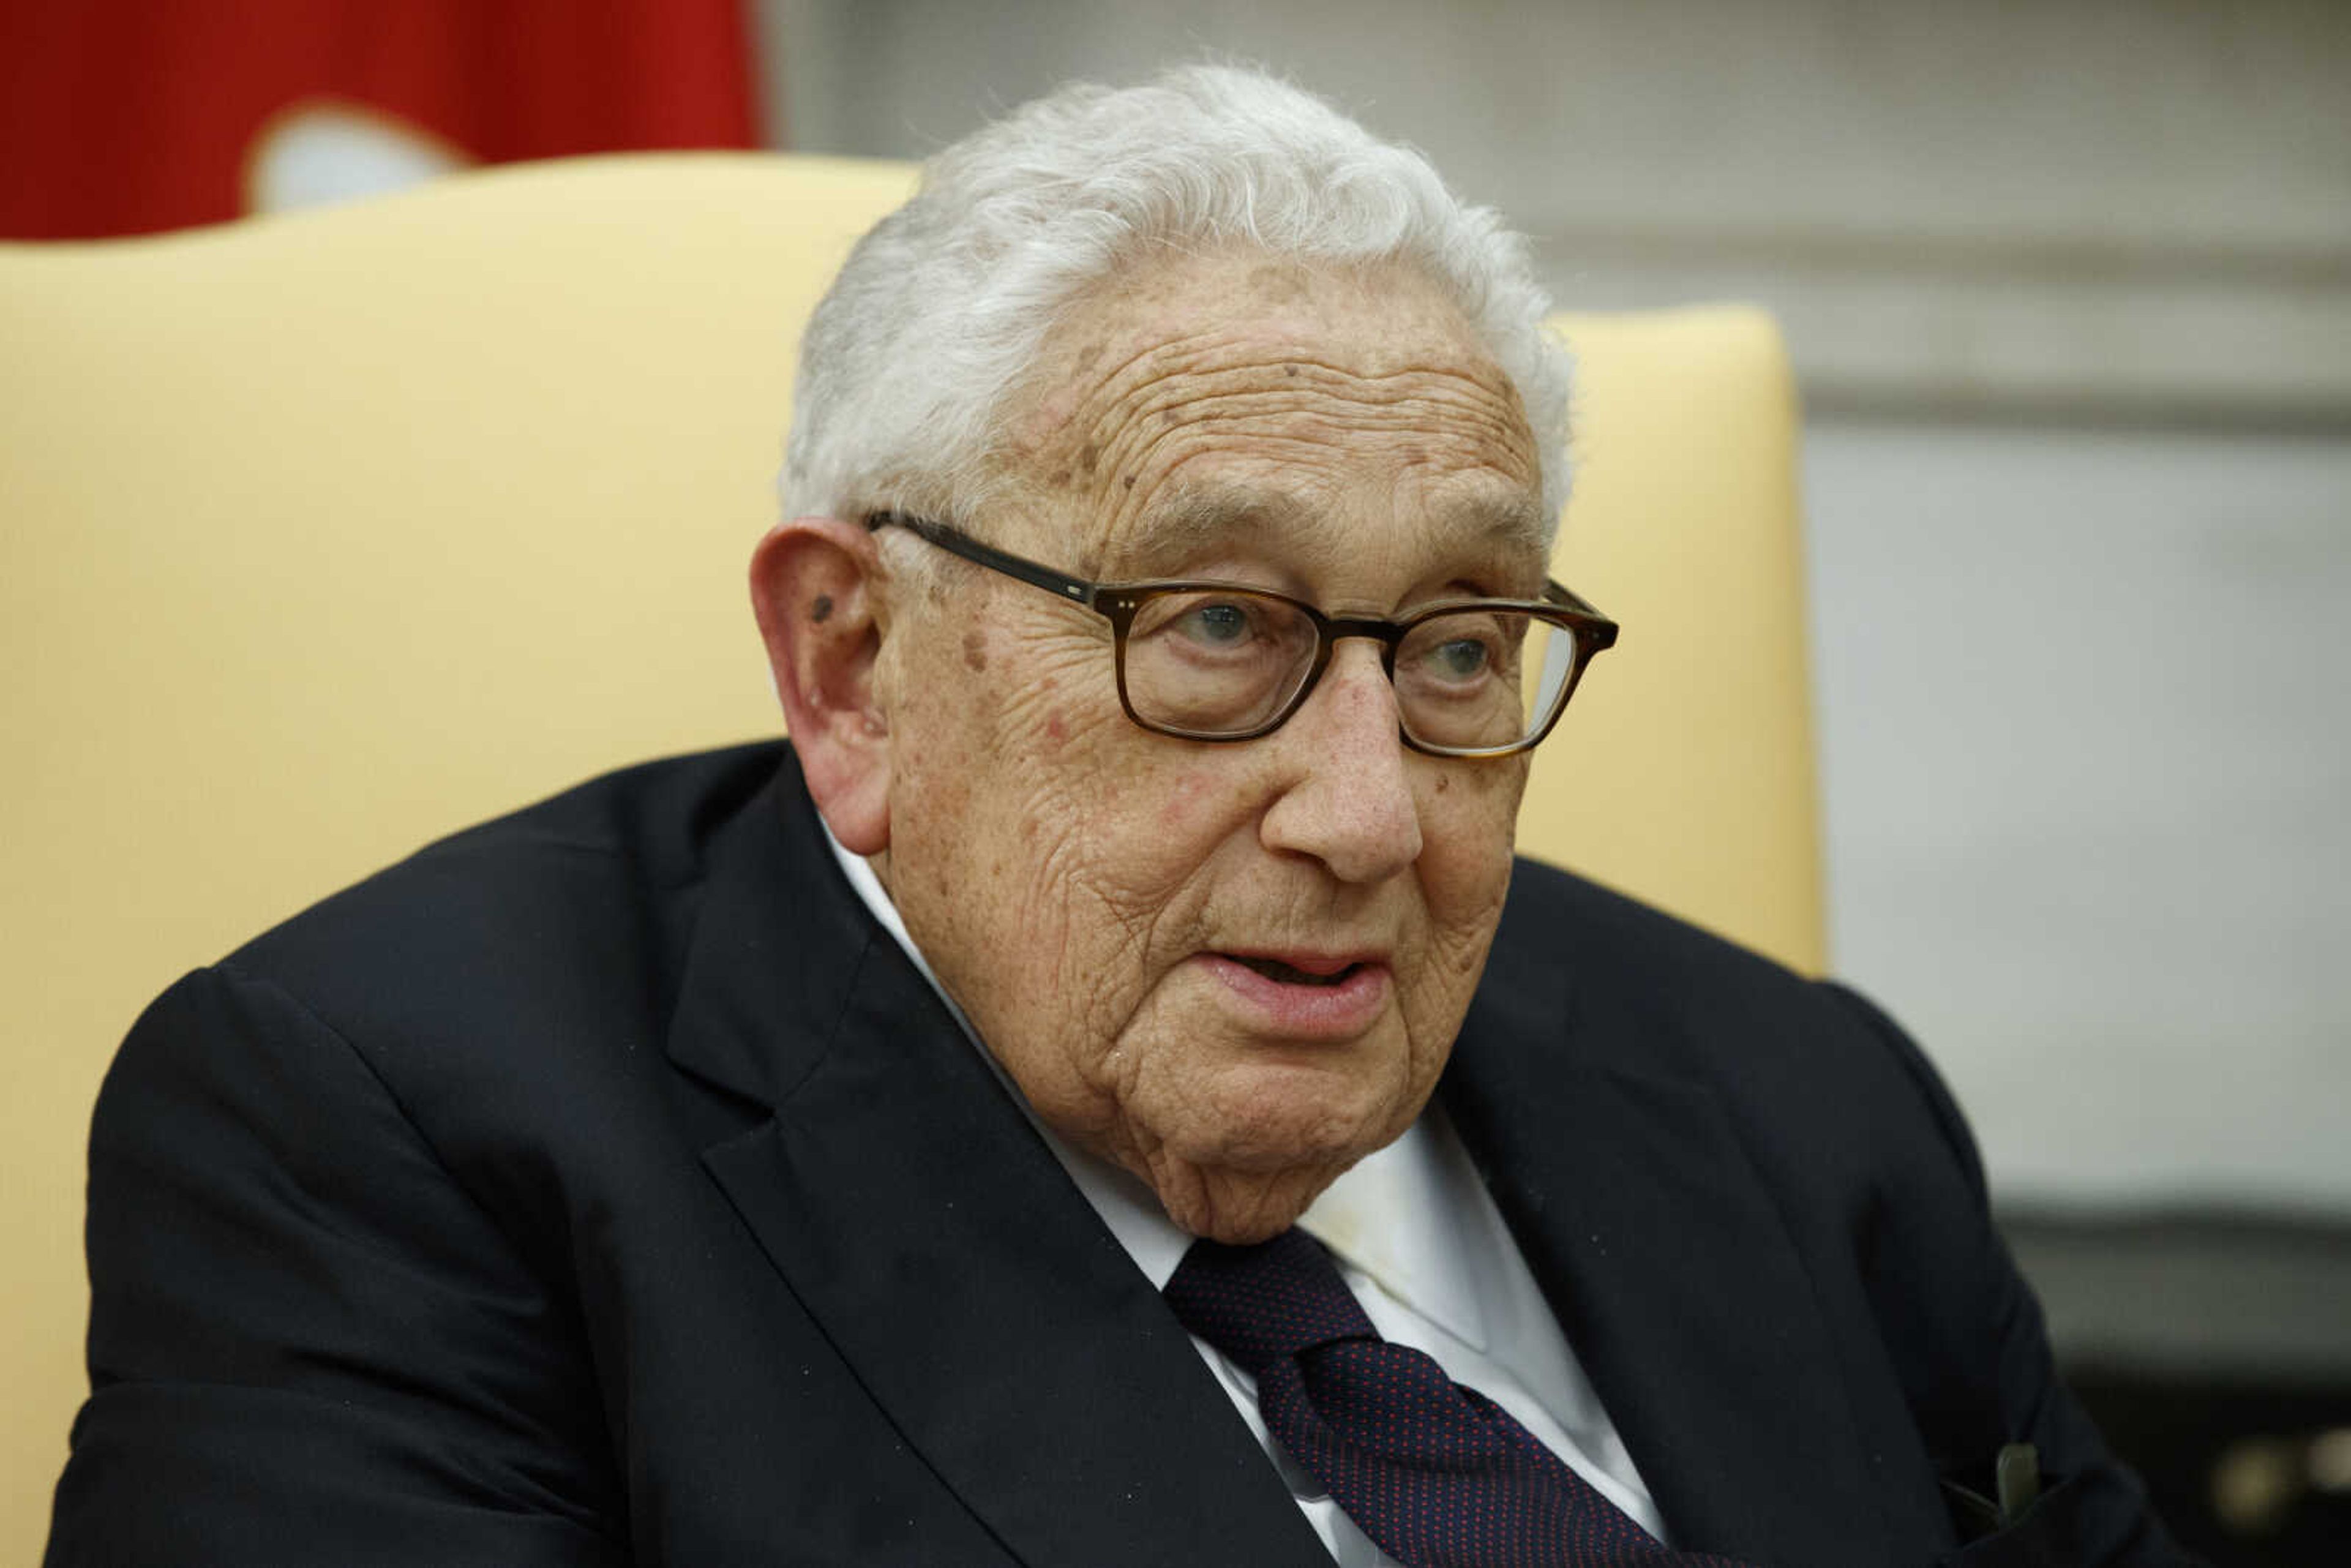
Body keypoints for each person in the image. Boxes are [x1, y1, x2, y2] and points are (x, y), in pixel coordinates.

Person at [46, 64, 2186, 1568]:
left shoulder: (1800, 1098)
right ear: (855, 665)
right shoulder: (392, 1142)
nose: (1369, 820)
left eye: (1456, 646)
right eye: (1216, 626)